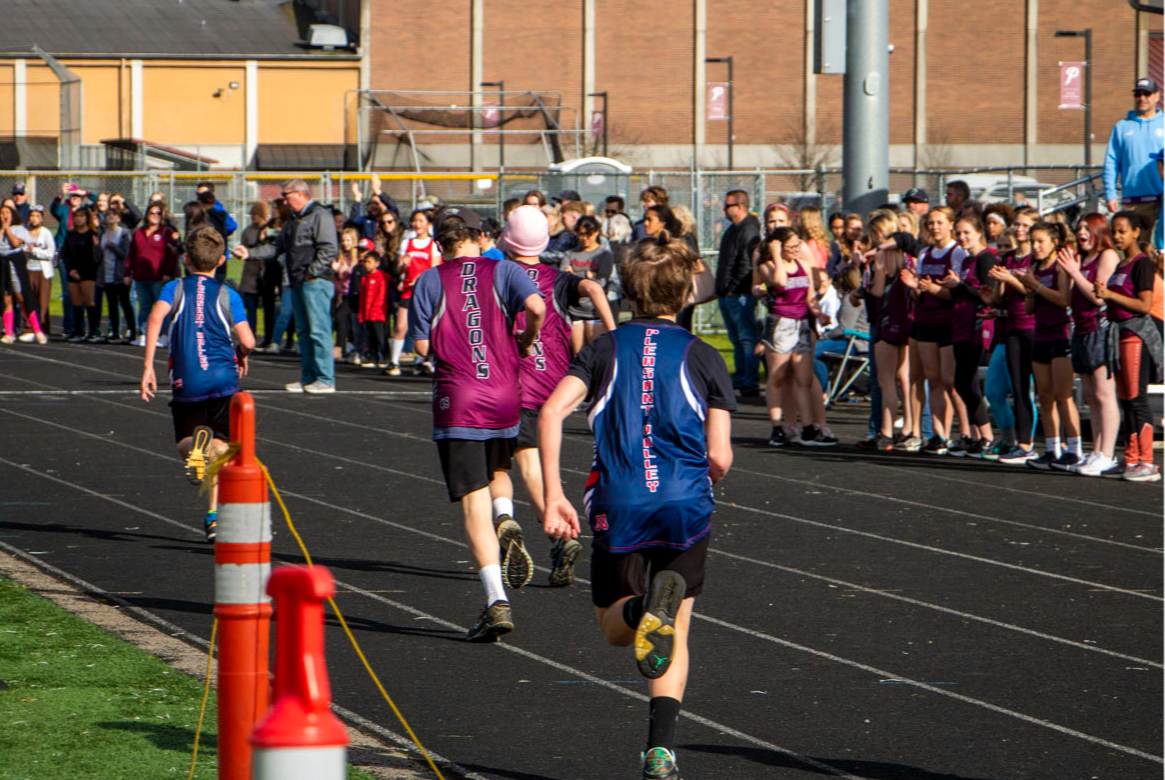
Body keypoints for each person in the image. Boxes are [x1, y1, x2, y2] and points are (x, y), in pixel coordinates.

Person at [539, 233, 734, 780]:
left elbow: (552, 413)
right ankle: (660, 751)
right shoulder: (704, 356)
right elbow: (720, 455)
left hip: (619, 501)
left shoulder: (602, 350)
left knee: (616, 629)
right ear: (688, 293)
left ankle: (643, 607)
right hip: (685, 503)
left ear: (625, 290)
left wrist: (554, 495)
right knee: (675, 631)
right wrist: (699, 469)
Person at [406, 207, 546, 641]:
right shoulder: (502, 269)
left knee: (471, 504)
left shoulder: (429, 280)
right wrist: (525, 338)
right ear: (478, 237)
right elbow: (537, 305)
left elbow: (422, 346)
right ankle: (505, 517)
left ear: (440, 242)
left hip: (460, 400)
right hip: (505, 396)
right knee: (496, 471)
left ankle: (495, 599)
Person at [499, 205, 615, 587]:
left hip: (511, 378)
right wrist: (614, 335)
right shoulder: (556, 277)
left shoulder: (497, 275)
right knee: (530, 460)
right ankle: (553, 534)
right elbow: (595, 287)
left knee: (513, 463)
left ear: (506, 239)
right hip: (553, 381)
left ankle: (540, 529)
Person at [140, 226, 255, 542]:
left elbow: (154, 318)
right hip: (224, 379)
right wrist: (240, 353)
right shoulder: (227, 294)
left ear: (186, 259)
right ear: (221, 261)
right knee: (223, 447)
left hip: (186, 379)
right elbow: (248, 340)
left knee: (185, 445)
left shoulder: (174, 288)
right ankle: (215, 515)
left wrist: (149, 366)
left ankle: (196, 449)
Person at [233, 179, 339, 394]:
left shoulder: (320, 215)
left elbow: (329, 248)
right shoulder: (293, 219)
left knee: (319, 331)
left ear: (300, 194)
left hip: (314, 282)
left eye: (287, 196)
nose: (284, 201)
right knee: (304, 331)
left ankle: (326, 378)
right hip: (298, 281)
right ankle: (309, 376)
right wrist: (250, 253)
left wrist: (312, 272)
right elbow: (277, 247)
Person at [1096, 211, 1165, 481]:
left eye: (1123, 231)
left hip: (1136, 336)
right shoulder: (1122, 264)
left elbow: (1144, 305)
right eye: (1114, 231)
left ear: (1136, 232)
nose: (1117, 236)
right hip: (1119, 334)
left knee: (1137, 399)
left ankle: (1147, 462)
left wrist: (1110, 294)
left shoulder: (1141, 264)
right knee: (1125, 399)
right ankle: (1131, 458)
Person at [755, 227, 835, 446]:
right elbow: (780, 282)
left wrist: (818, 314)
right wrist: (776, 255)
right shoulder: (767, 266)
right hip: (781, 323)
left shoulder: (803, 266)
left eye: (797, 246)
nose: (795, 251)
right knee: (778, 377)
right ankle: (777, 426)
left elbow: (810, 296)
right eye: (790, 247)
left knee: (803, 378)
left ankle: (808, 427)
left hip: (800, 324)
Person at [1057, 213, 1120, 476]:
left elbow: (1099, 297)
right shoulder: (1080, 259)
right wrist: (1067, 271)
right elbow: (1068, 299)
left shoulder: (1107, 255)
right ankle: (1095, 450)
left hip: (1099, 329)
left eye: (1087, 228)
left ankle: (1108, 453)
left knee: (1104, 394)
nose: (1081, 232)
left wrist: (1074, 271)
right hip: (1080, 330)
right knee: (1092, 396)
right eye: (1079, 227)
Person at [901, 207, 966, 454]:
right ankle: (939, 434)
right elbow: (920, 292)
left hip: (949, 323)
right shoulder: (925, 253)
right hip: (926, 321)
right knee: (933, 380)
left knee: (949, 381)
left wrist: (932, 289)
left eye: (940, 222)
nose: (935, 227)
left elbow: (957, 293)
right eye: (931, 223)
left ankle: (957, 432)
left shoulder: (957, 253)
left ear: (950, 224)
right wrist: (914, 287)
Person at [1016, 221, 1081, 470]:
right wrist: (1030, 291)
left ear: (1054, 242)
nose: (1035, 246)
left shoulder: (1060, 268)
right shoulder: (1034, 266)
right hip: (1040, 334)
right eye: (1033, 241)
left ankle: (1074, 449)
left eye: (1040, 241)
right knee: (1045, 396)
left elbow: (1064, 300)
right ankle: (1053, 448)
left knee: (1063, 395)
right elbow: (1029, 308)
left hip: (1060, 334)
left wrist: (1037, 287)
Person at [990, 207, 1040, 464]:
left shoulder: (1035, 258)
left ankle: (1050, 443)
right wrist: (999, 281)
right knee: (1018, 388)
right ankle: (1022, 444)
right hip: (1011, 328)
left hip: (1033, 327)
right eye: (1017, 225)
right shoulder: (1008, 258)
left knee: (1038, 389)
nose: (1020, 230)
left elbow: (1029, 292)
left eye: (1025, 225)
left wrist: (1010, 279)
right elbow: (1000, 300)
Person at [946, 215, 997, 457]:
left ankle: (987, 435)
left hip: (977, 326)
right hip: (961, 325)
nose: (962, 237)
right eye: (959, 233)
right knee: (962, 382)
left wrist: (958, 287)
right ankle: (978, 435)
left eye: (967, 232)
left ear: (979, 232)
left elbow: (987, 295)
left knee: (965, 381)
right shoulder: (967, 260)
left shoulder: (986, 258)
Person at [715, 189, 762, 397]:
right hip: (728, 292)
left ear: (740, 206)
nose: (724, 210)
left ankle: (749, 382)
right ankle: (741, 378)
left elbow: (746, 263)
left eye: (728, 206)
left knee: (746, 338)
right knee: (737, 339)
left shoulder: (748, 229)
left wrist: (735, 288)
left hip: (739, 294)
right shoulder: (732, 230)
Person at [1104, 78, 1165, 232]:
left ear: (1157, 96)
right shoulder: (1122, 127)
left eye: (1147, 93)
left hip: (1162, 199)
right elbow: (1111, 162)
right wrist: (1110, 194)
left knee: (1161, 250)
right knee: (1137, 251)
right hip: (1133, 202)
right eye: (1138, 94)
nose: (1142, 98)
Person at [386, 208, 442, 376]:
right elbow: (399, 269)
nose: (417, 224)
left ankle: (422, 361)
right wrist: (402, 264)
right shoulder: (407, 243)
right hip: (409, 291)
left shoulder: (433, 245)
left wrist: (422, 278)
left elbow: (435, 268)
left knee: (426, 327)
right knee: (400, 326)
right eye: (415, 221)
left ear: (428, 224)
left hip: (426, 293)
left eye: (421, 221)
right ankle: (394, 361)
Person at [126, 204, 181, 347]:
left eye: (158, 213)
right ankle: (144, 334)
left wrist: (168, 273)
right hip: (141, 276)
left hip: (159, 277)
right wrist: (128, 273)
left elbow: (171, 254)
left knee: (162, 307)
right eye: (152, 212)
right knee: (144, 306)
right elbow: (131, 254)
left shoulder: (165, 232)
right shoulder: (138, 233)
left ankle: (164, 334)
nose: (155, 215)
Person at [0, 204, 45, 345]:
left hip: (15, 263)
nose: (4, 215)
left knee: (21, 298)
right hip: (2, 263)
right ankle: (8, 333)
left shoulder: (19, 229)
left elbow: (14, 243)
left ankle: (37, 330)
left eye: (7, 212)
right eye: (2, 213)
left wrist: (7, 227)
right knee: (6, 298)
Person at [60, 207, 103, 342]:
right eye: (77, 216)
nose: (79, 219)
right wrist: (71, 270)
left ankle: (93, 331)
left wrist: (82, 272)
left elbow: (95, 257)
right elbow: (65, 254)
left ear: (86, 218)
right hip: (72, 272)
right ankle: (78, 331)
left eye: (82, 216)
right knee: (76, 302)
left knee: (89, 301)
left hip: (88, 273)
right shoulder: (70, 234)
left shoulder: (92, 234)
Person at [239, 201, 276, 344]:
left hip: (264, 274)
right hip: (250, 274)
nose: (254, 217)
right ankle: (250, 337)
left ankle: (269, 338)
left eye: (257, 215)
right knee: (251, 308)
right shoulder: (247, 231)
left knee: (268, 308)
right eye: (252, 214)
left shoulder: (269, 230)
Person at [98, 209, 134, 343]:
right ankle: (115, 331)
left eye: (114, 215)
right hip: (107, 273)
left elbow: (125, 254)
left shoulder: (124, 233)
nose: (111, 217)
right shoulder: (103, 234)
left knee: (125, 302)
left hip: (120, 273)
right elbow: (100, 254)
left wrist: (112, 246)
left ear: (119, 218)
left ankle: (132, 330)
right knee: (112, 304)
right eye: (108, 215)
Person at [23, 206, 55, 337]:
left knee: (42, 301)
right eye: (32, 216)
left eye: (37, 216)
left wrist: (34, 251)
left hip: (42, 272)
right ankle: (28, 328)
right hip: (28, 270)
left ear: (41, 218)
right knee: (28, 300)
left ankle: (43, 327)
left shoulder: (46, 233)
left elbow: (50, 253)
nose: (34, 219)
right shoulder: (25, 232)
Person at [357, 249, 389, 367]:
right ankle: (373, 356)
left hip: (378, 314)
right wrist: (362, 313)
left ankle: (385, 356)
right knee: (371, 336)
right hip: (367, 314)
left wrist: (375, 312)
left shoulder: (381, 278)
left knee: (380, 336)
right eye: (365, 262)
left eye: (369, 262)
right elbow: (362, 298)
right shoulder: (365, 279)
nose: (366, 265)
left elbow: (381, 296)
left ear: (377, 263)